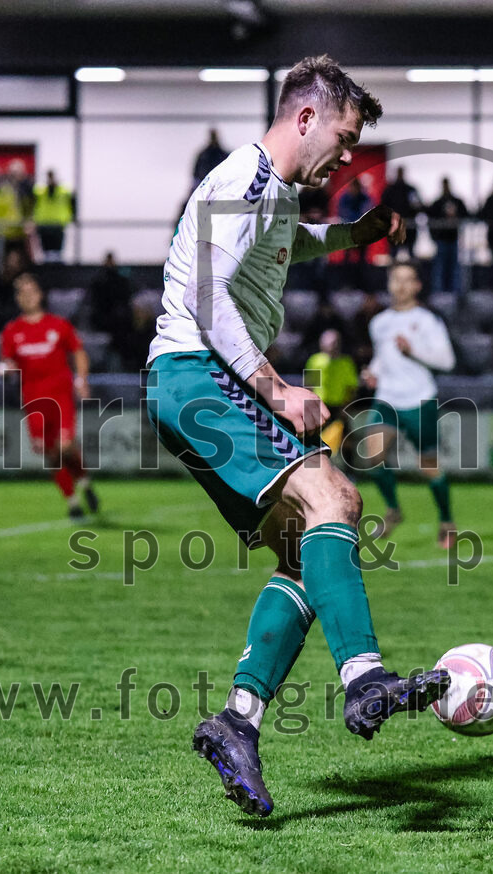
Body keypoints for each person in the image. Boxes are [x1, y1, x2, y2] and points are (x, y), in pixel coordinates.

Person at [144, 55, 450, 819]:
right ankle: (364, 678)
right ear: (305, 117)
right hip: (197, 372)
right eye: (344, 138)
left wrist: (355, 232)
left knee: (305, 552)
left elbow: (292, 244)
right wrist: (274, 385)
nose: (348, 156)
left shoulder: (273, 196)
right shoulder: (244, 179)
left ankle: (239, 722)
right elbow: (206, 293)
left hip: (188, 384)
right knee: (335, 496)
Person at [357, 262, 456, 548]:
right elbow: (383, 356)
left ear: (417, 286)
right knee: (373, 455)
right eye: (395, 280)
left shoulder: (427, 320)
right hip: (387, 398)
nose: (400, 286)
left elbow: (447, 362)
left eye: (407, 280)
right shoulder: (379, 322)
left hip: (418, 399)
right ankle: (393, 510)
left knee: (429, 467)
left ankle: (447, 521)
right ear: (389, 284)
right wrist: (373, 372)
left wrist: (413, 351)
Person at [0, 273, 99, 520]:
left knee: (65, 446)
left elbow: (78, 351)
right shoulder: (13, 331)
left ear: (40, 294)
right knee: (50, 453)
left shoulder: (58, 325)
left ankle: (84, 481)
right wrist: (5, 370)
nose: (28, 296)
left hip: (60, 397)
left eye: (31, 290)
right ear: (17, 298)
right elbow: (7, 363)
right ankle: (74, 502)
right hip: (33, 400)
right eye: (22, 292)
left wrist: (81, 379)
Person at [304, 328, 359, 453]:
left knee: (346, 439)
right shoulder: (315, 360)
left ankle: (350, 470)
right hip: (320, 406)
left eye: (334, 342)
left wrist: (346, 407)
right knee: (314, 439)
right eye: (328, 342)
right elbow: (310, 385)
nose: (331, 345)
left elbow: (351, 388)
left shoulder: (346, 362)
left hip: (340, 407)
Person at [426, 177, 468, 294]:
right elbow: (430, 217)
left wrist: (456, 217)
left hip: (453, 239)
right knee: (441, 267)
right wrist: (434, 236)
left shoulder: (456, 201)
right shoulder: (437, 203)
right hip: (441, 240)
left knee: (453, 267)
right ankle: (439, 291)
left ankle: (453, 291)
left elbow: (466, 213)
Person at [380, 166, 423, 258]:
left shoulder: (410, 190)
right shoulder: (390, 191)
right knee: (393, 255)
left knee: (411, 255)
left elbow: (418, 206)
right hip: (394, 227)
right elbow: (383, 207)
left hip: (409, 227)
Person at [32, 170, 74, 262]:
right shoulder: (40, 191)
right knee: (45, 253)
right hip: (43, 224)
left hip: (58, 225)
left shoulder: (64, 191)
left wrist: (71, 218)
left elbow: (72, 201)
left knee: (57, 253)